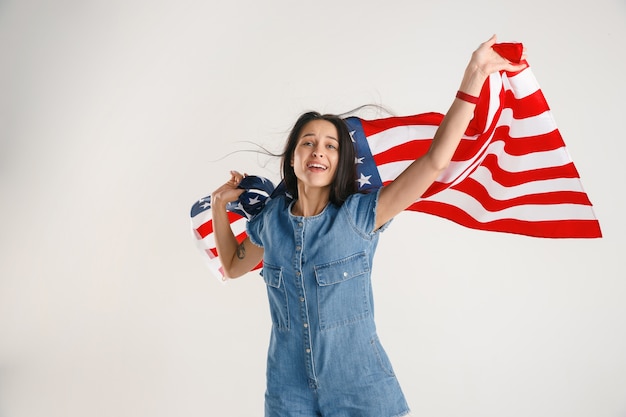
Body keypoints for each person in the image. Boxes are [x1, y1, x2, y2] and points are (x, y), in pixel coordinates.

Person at [210, 35, 527, 417]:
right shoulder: (271, 222)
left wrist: (473, 75)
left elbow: (434, 162)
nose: (318, 151)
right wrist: (217, 206)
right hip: (286, 392)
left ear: (341, 162)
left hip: (360, 389)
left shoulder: (361, 215)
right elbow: (231, 265)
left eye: (331, 146)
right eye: (308, 143)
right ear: (292, 158)